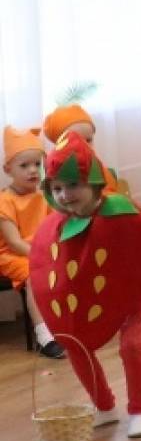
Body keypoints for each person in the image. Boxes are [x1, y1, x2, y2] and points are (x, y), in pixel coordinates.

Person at [29, 133, 141, 438]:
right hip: (94, 296)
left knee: (132, 345)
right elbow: (46, 265)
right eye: (56, 188)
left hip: (137, 291)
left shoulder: (121, 209)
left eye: (73, 185)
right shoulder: (59, 223)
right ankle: (105, 407)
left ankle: (138, 411)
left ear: (94, 182)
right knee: (75, 346)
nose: (64, 195)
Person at [0, 126, 64, 357]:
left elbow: (54, 229)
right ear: (8, 169)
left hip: (41, 251)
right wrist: (42, 257)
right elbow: (14, 242)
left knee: (68, 266)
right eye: (24, 165)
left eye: (37, 164)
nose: (33, 170)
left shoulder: (43, 197)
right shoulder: (5, 201)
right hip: (13, 255)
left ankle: (66, 324)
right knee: (34, 275)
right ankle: (44, 336)